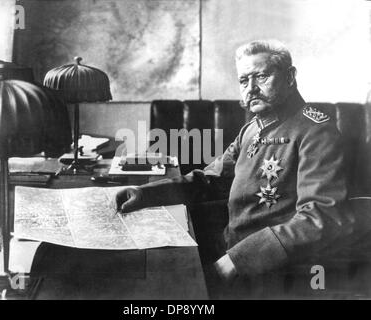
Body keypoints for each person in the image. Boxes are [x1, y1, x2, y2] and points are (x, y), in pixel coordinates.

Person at [114, 40, 358, 295]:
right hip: (231, 247)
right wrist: (145, 193)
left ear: (290, 77)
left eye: (261, 76)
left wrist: (236, 261)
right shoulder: (253, 129)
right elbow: (209, 179)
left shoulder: (316, 132)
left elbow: (319, 219)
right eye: (244, 81)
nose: (251, 89)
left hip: (273, 271)